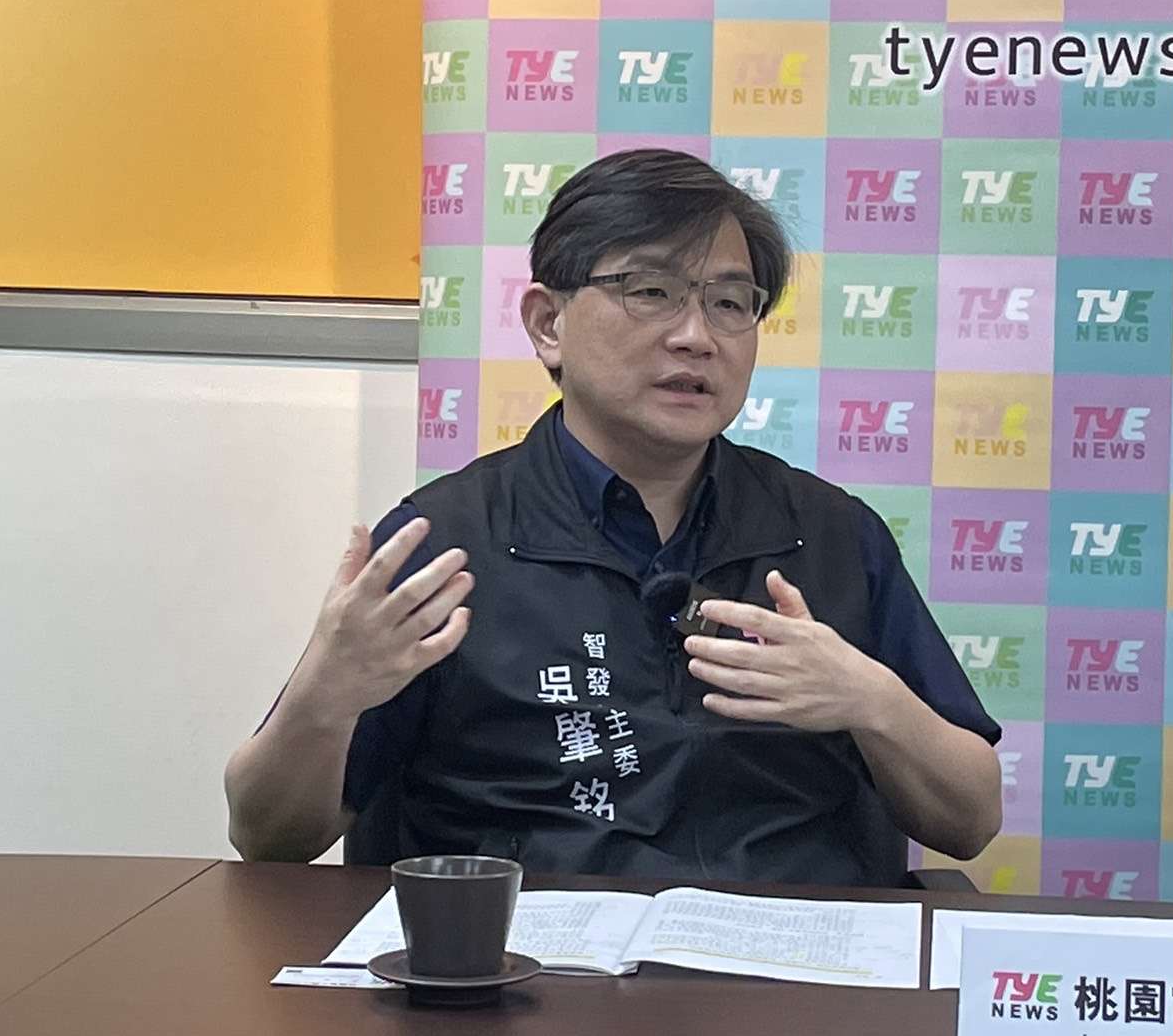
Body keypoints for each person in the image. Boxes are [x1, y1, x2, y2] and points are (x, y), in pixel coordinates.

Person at [224, 148, 1002, 887]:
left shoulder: (831, 535)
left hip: (784, 979)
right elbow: (269, 839)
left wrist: (873, 702)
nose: (695, 336)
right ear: (547, 325)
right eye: (650, 291)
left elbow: (969, 822)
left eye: (729, 303)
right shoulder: (446, 546)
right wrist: (323, 698)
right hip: (527, 979)